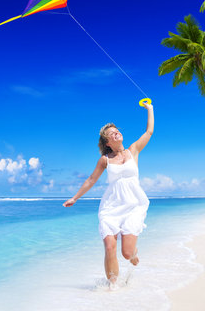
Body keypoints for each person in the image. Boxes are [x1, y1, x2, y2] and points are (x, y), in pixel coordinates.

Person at [63, 102, 154, 289]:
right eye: (111, 133)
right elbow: (91, 179)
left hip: (133, 205)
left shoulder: (133, 150)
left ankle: (134, 254)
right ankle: (112, 287)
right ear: (107, 143)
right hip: (111, 207)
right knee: (109, 247)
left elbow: (149, 132)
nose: (116, 133)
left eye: (116, 130)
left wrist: (150, 110)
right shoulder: (105, 160)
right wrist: (75, 197)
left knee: (127, 254)